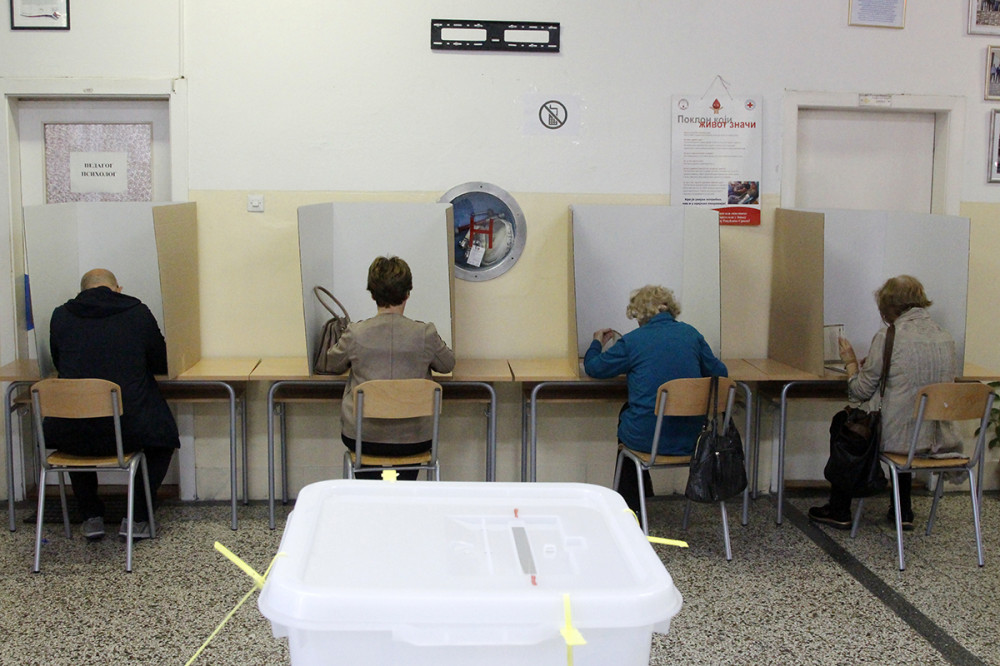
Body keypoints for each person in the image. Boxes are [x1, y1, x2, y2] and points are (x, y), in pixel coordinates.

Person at [809, 275, 959, 531]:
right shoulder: (945, 337)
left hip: (900, 440)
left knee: (843, 423)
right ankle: (903, 510)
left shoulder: (889, 335)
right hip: (940, 439)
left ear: (888, 306)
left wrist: (851, 363)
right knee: (909, 423)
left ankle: (839, 509)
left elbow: (860, 391)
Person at [45, 268, 179, 541]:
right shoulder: (137, 312)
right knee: (163, 439)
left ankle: (91, 516)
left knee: (76, 437)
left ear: (82, 292)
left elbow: (59, 362)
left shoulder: (60, 315)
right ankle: (137, 516)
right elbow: (161, 361)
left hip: (71, 431)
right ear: (117, 289)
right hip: (128, 428)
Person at [583, 284, 728, 511]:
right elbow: (721, 374)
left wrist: (596, 343)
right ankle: (639, 496)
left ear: (639, 314)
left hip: (647, 441)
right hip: (693, 441)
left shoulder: (633, 341)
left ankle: (631, 505)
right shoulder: (692, 335)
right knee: (631, 413)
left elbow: (594, 368)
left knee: (627, 416)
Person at [326, 256, 455, 479]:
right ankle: (403, 494)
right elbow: (447, 364)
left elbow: (332, 364)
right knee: (405, 476)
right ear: (408, 293)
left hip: (363, 438)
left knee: (368, 477)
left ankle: (372, 496)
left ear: (372, 294)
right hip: (415, 438)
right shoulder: (425, 333)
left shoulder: (355, 333)